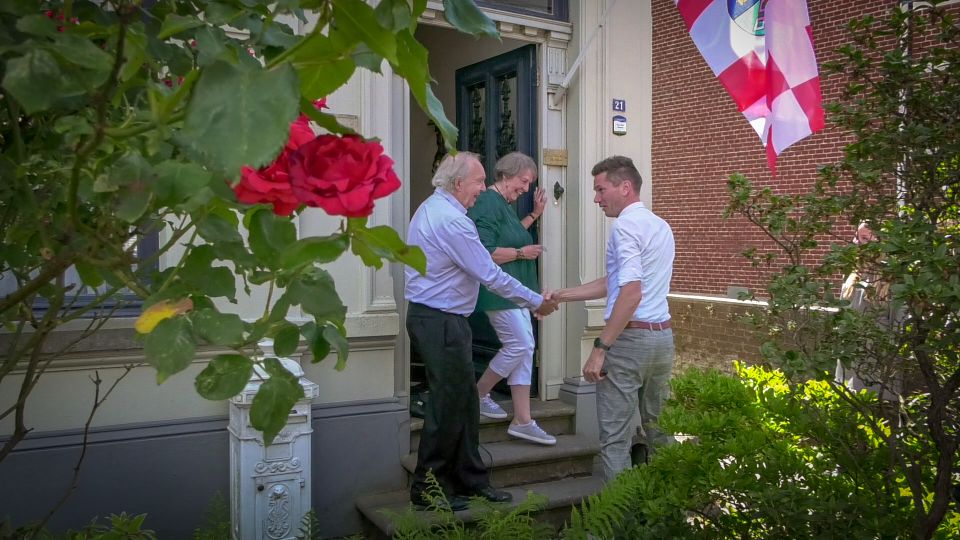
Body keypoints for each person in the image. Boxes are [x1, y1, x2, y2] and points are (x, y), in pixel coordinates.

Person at [404, 152, 558, 510]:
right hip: (440, 321)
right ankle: (429, 490)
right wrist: (536, 301)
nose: (482, 189)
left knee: (464, 404)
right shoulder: (451, 221)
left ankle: (470, 480)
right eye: (478, 181)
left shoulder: (437, 209)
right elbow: (489, 273)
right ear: (458, 184)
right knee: (447, 406)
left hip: (442, 320)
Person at [546, 155, 675, 481]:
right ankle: (669, 509)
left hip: (629, 342)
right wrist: (562, 294)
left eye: (601, 189)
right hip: (661, 340)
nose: (596, 198)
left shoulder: (624, 228)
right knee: (660, 428)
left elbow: (631, 293)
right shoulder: (660, 226)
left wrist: (601, 348)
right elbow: (614, 282)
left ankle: (617, 522)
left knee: (615, 439)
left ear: (625, 187)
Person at [467, 152, 555, 446]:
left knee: (526, 349)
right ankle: (477, 394)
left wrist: (533, 216)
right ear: (506, 174)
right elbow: (484, 251)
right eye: (524, 181)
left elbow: (512, 235)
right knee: (520, 344)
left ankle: (522, 419)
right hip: (499, 294)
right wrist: (520, 254)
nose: (526, 189)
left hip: (515, 292)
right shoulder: (487, 203)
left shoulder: (502, 205)